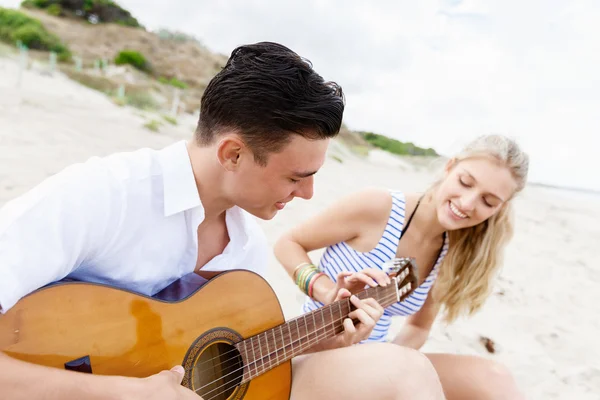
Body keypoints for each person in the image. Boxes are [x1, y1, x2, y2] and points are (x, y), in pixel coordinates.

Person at [0, 42, 445, 400]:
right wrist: (120, 392)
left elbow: (229, 367)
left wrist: (328, 333)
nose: (308, 193)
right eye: (296, 176)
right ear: (233, 153)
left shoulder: (244, 245)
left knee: (402, 373)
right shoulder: (104, 194)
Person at [274, 134, 529, 400]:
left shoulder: (451, 251)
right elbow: (287, 243)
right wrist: (326, 292)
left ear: (500, 208)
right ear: (449, 167)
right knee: (412, 372)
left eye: (488, 202)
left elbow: (418, 328)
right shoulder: (378, 207)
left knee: (495, 380)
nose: (467, 203)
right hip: (312, 352)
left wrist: (390, 360)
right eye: (465, 182)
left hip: (374, 364)